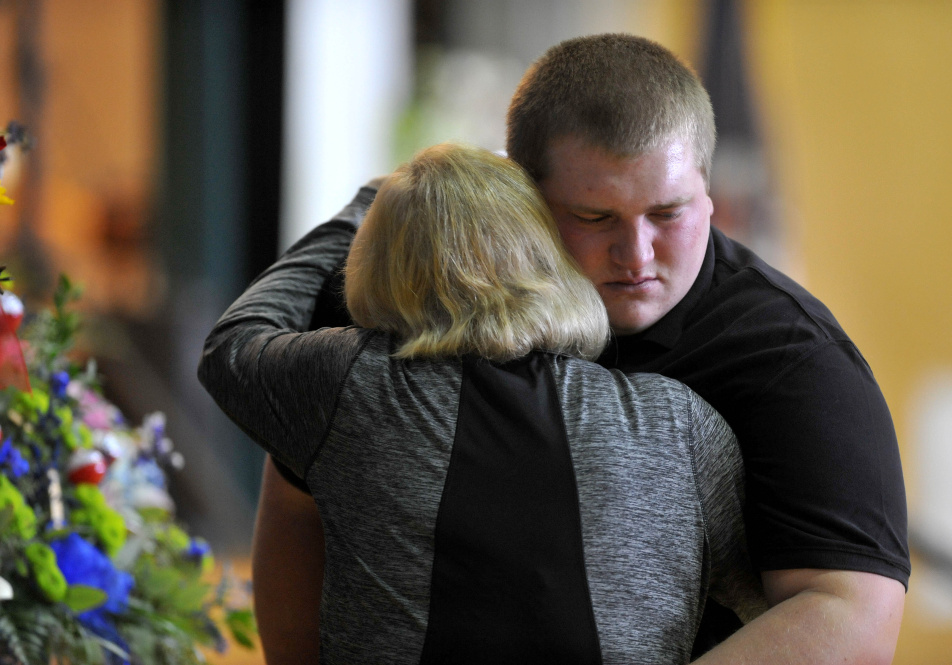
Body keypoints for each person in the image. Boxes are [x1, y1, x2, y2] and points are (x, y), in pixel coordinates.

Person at [254, 34, 909, 664]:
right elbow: (296, 494)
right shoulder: (417, 292)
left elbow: (849, 612)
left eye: (667, 212)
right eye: (594, 217)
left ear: (709, 194)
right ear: (522, 196)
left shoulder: (792, 361)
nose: (636, 255)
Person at [199, 143, 766, 664]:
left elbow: (234, 342)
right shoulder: (676, 419)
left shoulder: (347, 382)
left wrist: (363, 206)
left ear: (375, 261)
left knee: (297, 456)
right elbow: (759, 605)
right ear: (549, 258)